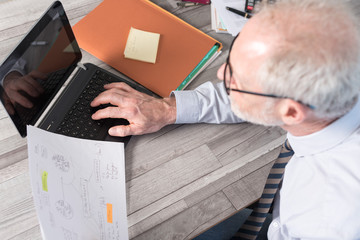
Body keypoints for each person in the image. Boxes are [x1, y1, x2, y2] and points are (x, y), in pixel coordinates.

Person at [91, 0, 360, 238]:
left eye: (235, 78)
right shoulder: (334, 78)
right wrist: (168, 109)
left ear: (290, 112)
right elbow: (265, 91)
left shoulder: (329, 219)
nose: (220, 75)